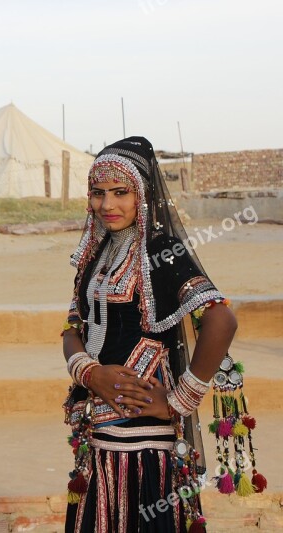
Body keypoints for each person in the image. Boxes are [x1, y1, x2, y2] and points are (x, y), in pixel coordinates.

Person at [61, 136, 246, 532]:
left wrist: (180, 400)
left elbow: (221, 320)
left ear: (142, 194)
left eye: (120, 192)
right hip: (98, 428)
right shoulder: (96, 254)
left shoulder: (162, 251)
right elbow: (73, 327)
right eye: (98, 193)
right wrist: (90, 373)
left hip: (145, 438)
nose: (107, 205)